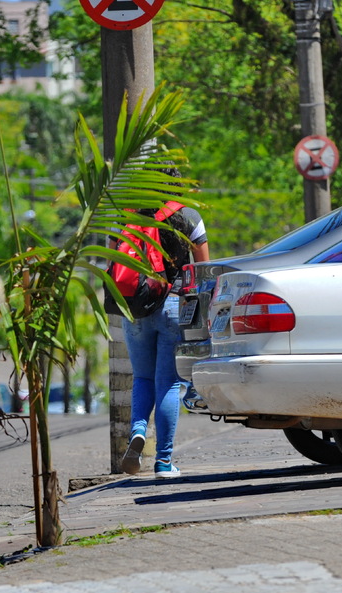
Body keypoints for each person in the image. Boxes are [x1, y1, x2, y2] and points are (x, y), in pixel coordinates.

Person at [119, 170, 209, 479]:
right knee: (169, 382)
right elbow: (202, 270)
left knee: (142, 378)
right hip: (173, 304)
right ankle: (164, 461)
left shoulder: (128, 218)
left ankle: (138, 430)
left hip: (135, 308)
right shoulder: (188, 217)